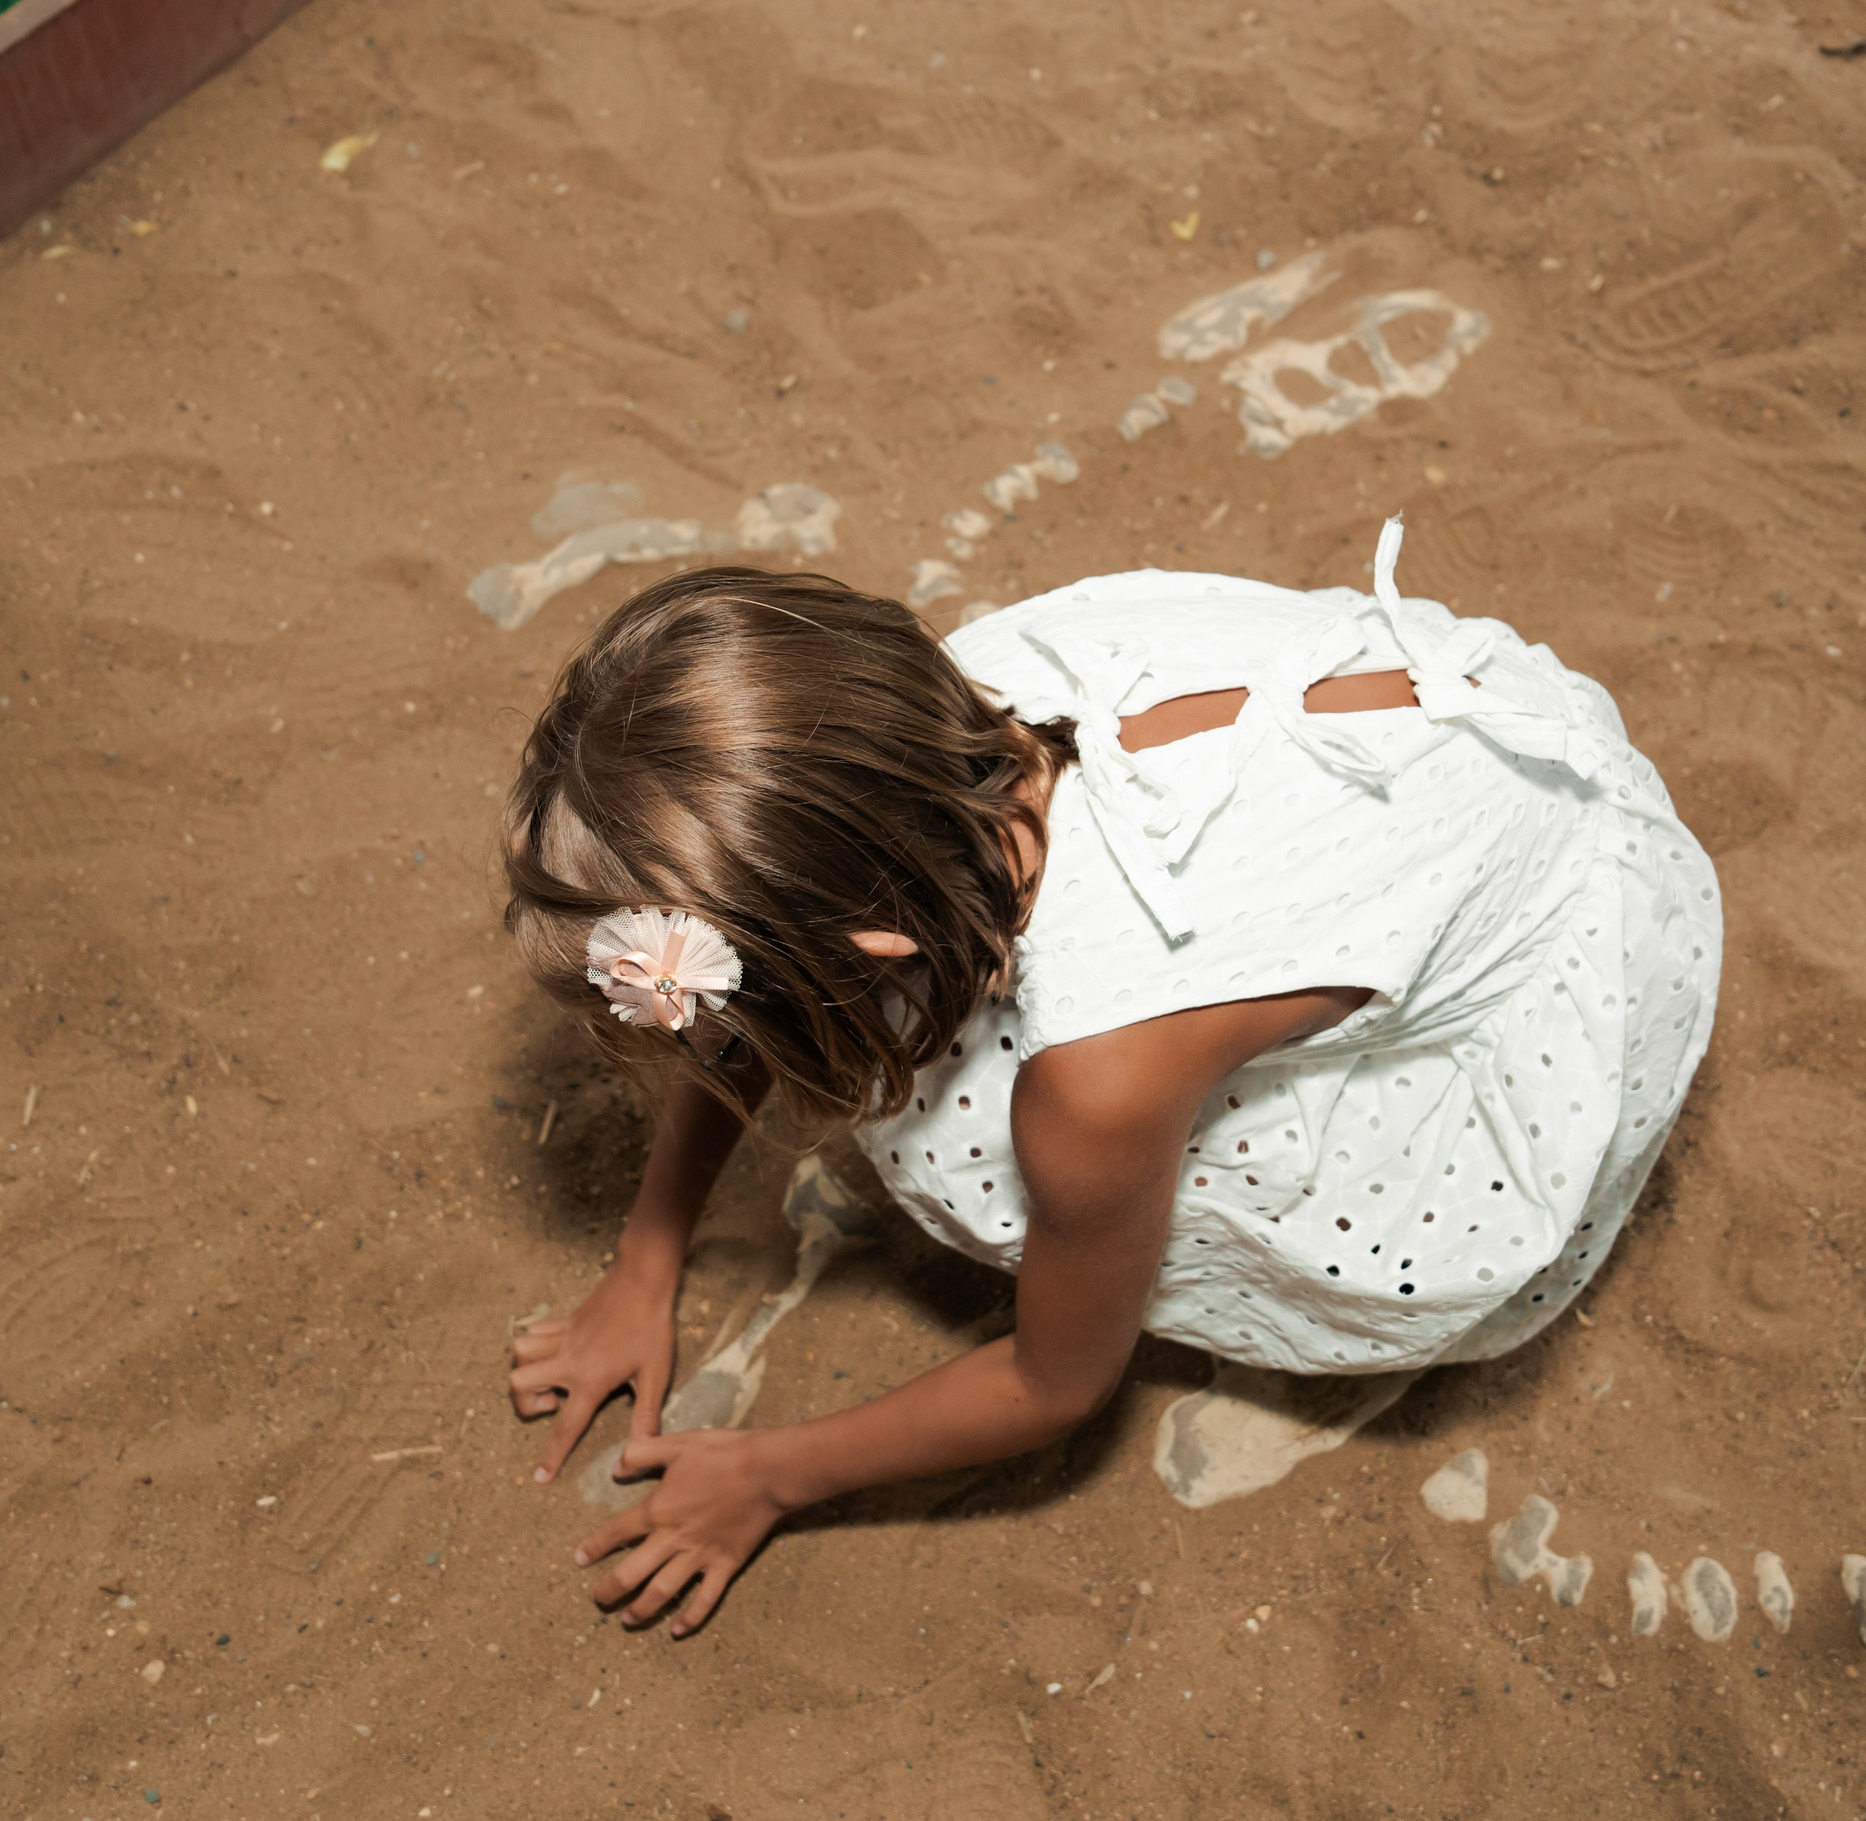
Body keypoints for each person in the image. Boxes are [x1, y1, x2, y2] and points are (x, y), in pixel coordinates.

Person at [501, 519, 1721, 1634]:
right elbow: (764, 962)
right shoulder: (949, 704)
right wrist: (647, 1253)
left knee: (1007, 1153)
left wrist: (768, 1474)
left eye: (694, 1015)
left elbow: (1052, 1381)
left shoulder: (1102, 1076)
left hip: (1552, 924)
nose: (691, 1037)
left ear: (870, 948)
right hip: (1457, 754)